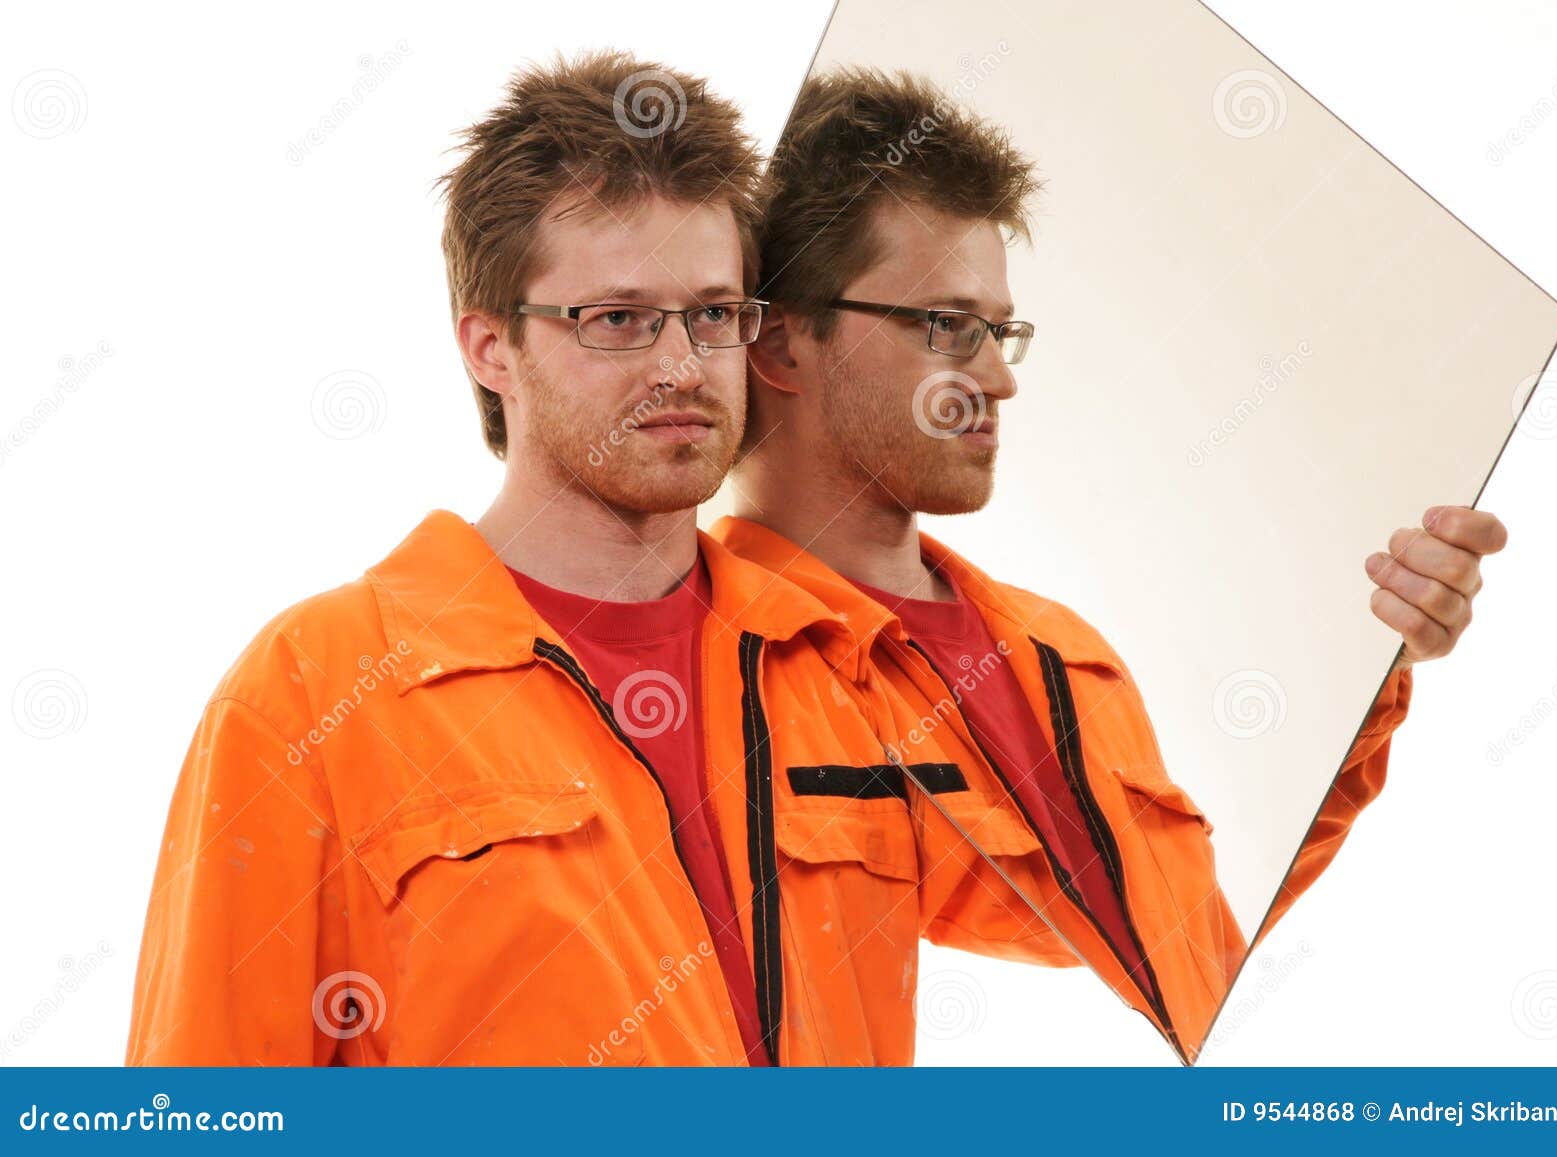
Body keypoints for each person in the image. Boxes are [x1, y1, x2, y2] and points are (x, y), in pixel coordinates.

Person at [127, 51, 1050, 1067]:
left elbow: (1107, 896)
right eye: (617, 319)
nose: (681, 365)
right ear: (488, 345)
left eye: (711, 312)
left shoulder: (842, 660)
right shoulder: (315, 693)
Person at [713, 68, 1507, 1062]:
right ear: (783, 345)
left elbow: (1193, 949)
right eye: (950, 325)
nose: (999, 375)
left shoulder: (1063, 653)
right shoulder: (703, 664)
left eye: (1001, 331)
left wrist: (1376, 666)